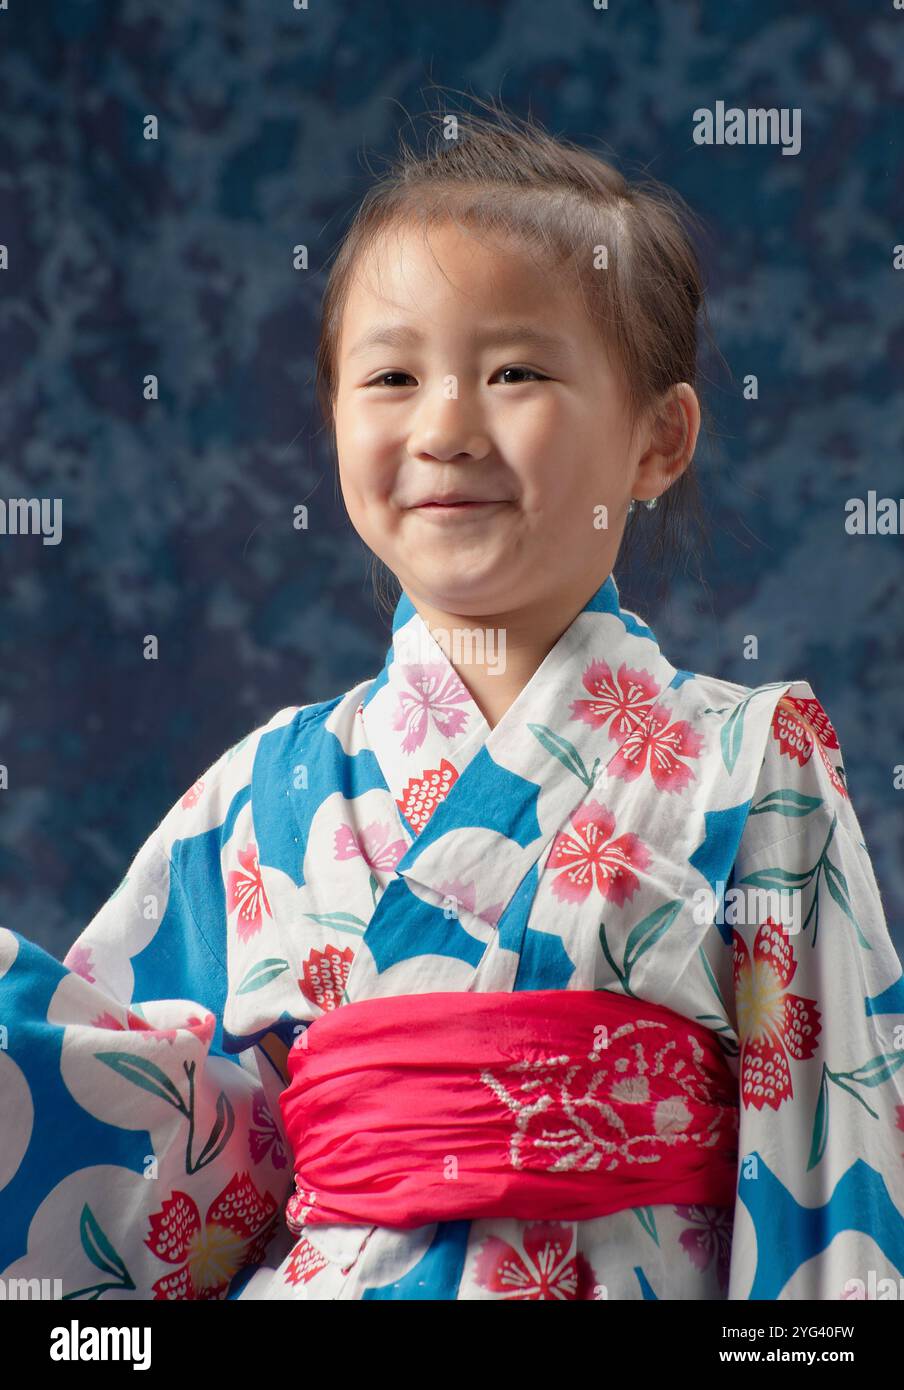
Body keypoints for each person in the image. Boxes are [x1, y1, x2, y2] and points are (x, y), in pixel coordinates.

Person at [3, 97, 903, 1303]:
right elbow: (152, 1154)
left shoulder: (747, 762)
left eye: (516, 370)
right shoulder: (262, 790)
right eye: (390, 375)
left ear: (659, 438)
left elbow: (828, 1166)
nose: (443, 428)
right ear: (331, 423)